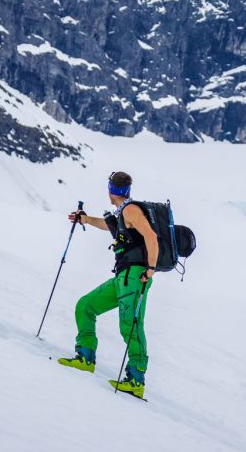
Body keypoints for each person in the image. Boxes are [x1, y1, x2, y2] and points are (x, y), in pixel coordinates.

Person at [57, 171, 157, 399]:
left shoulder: (131, 210)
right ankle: (85, 358)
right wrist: (85, 219)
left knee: (129, 325)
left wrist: (150, 269)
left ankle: (135, 380)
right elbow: (108, 226)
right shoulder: (123, 211)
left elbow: (151, 236)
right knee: (86, 306)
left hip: (134, 276)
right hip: (122, 277)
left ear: (111, 190)